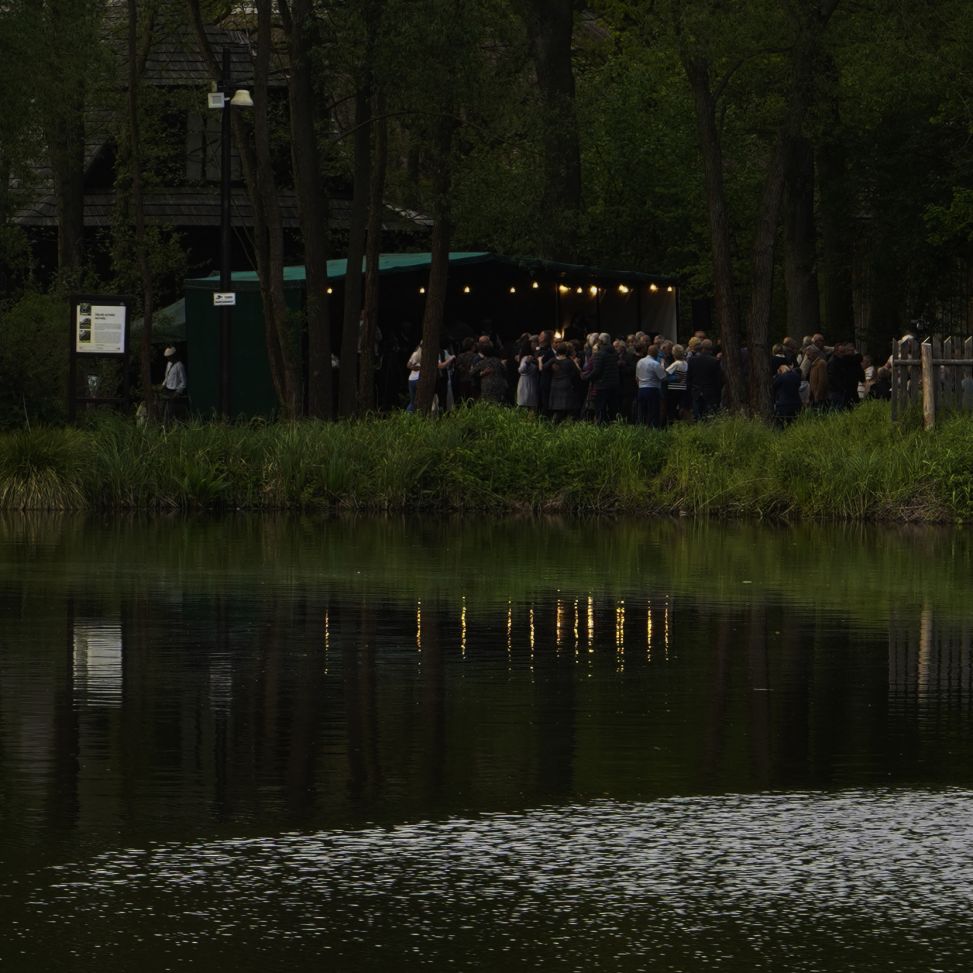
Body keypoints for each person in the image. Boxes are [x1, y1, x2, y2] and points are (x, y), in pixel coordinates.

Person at [635, 342, 667, 427]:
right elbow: (663, 377)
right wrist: (663, 366)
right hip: (653, 389)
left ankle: (641, 428)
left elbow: (637, 378)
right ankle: (653, 429)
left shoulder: (640, 362)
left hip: (641, 389)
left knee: (642, 412)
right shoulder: (655, 364)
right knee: (653, 412)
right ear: (656, 353)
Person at [406, 342, 422, 411]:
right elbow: (408, 365)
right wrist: (417, 368)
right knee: (418, 400)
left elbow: (408, 365)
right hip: (418, 379)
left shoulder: (415, 354)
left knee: (412, 401)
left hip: (411, 379)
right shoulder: (424, 355)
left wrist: (414, 367)